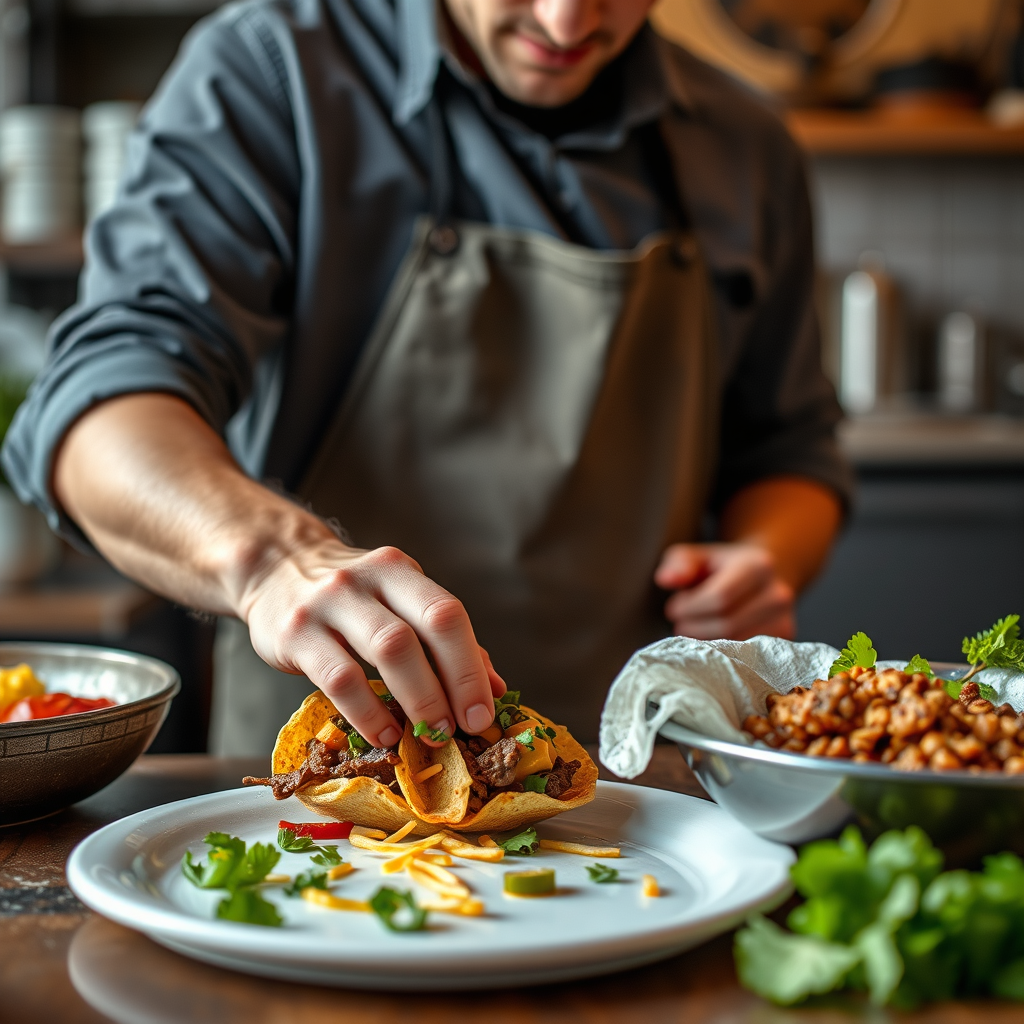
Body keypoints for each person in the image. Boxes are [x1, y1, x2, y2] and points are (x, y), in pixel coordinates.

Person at [2, 0, 851, 748]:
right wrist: (272, 560)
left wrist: (763, 558)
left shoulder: (747, 149)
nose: (567, 22)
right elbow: (97, 412)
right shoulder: (273, 73)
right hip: (338, 772)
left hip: (646, 773)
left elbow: (792, 451)